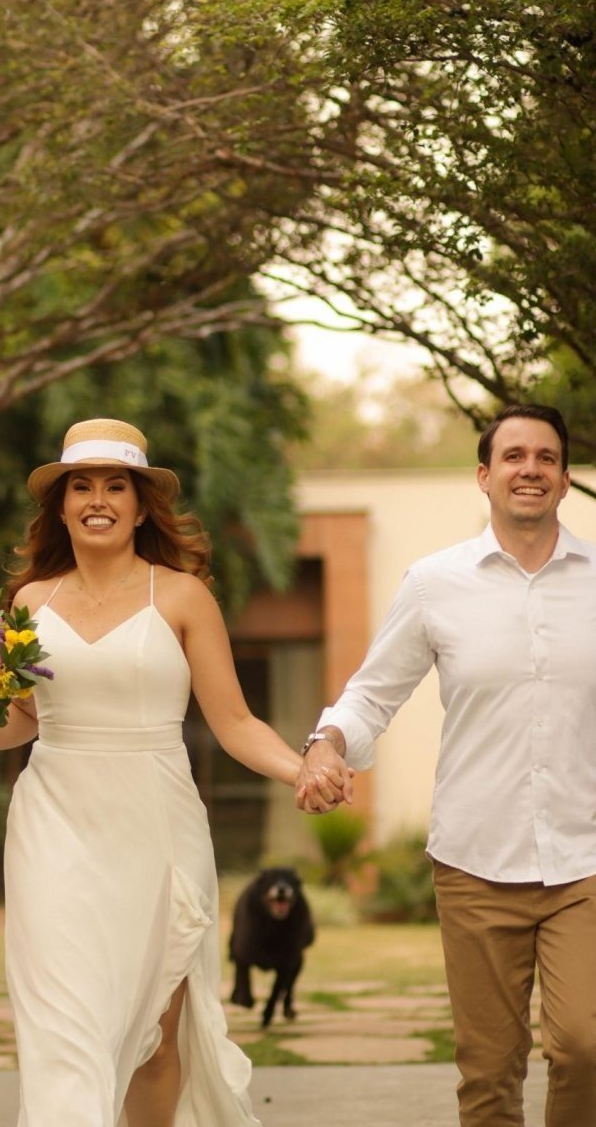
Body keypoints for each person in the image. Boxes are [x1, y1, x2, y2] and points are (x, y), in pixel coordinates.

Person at [0, 417, 345, 1127]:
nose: (97, 500)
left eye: (115, 486)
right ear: (61, 507)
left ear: (139, 506)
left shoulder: (182, 597)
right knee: (64, 1023)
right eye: (81, 486)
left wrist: (301, 770)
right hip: (54, 825)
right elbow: (26, 719)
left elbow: (234, 722)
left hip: (155, 823)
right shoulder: (31, 602)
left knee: (155, 1032)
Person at [295, 403, 596, 1127]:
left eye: (546, 457)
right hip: (474, 861)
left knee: (585, 1046)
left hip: (585, 858)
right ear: (484, 476)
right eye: (514, 456)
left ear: (564, 479)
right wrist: (325, 742)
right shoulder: (434, 582)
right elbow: (372, 692)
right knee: (488, 1073)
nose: (530, 469)